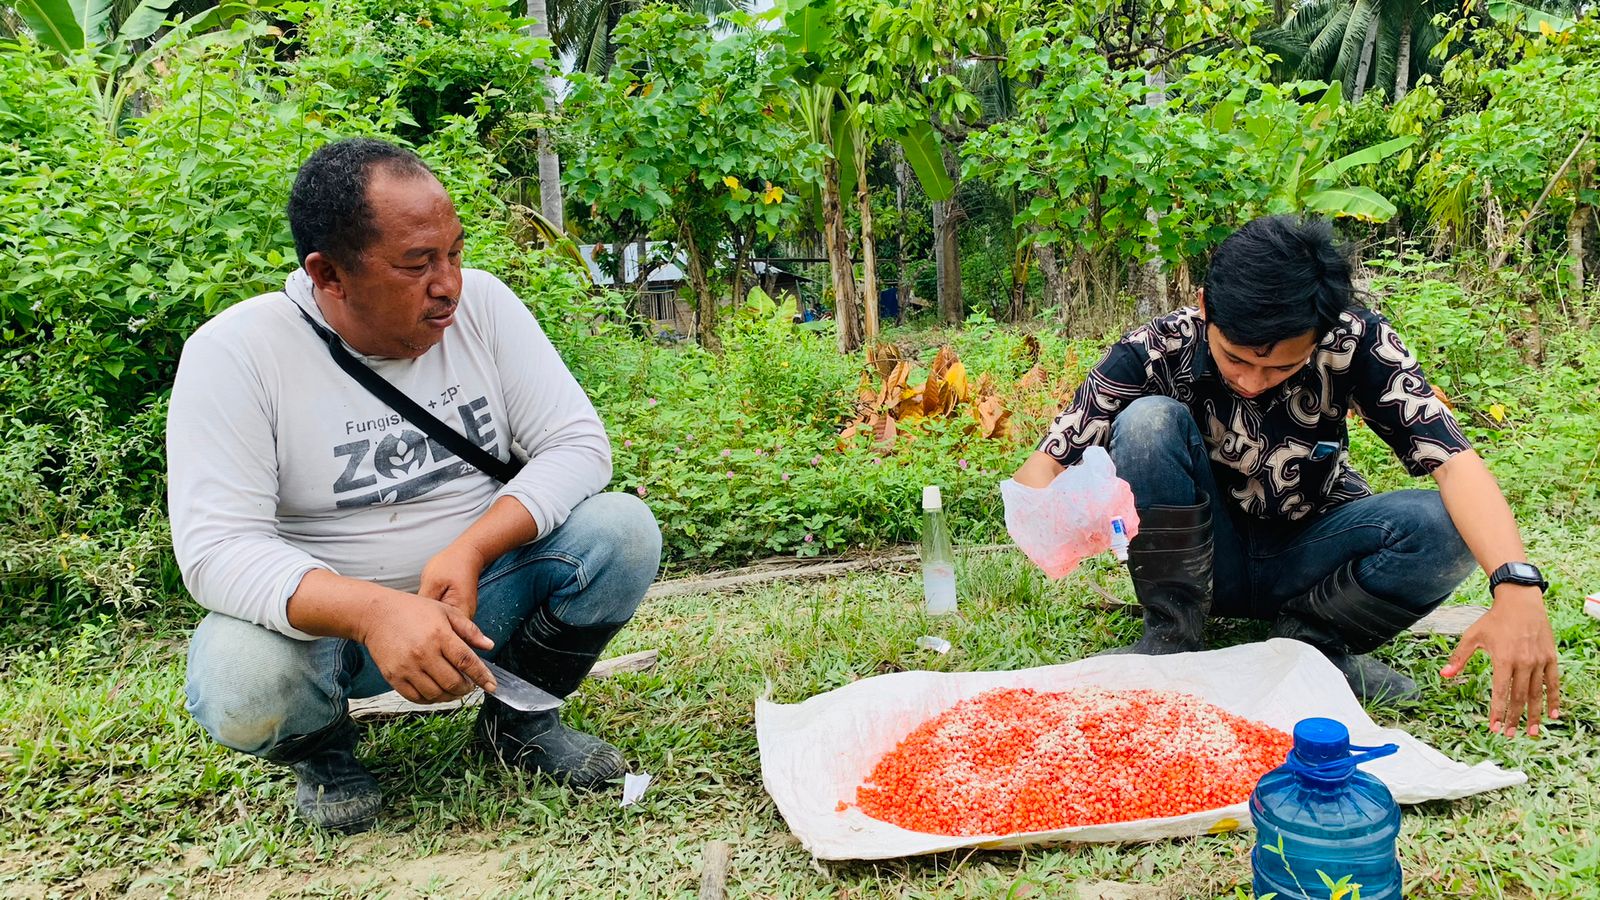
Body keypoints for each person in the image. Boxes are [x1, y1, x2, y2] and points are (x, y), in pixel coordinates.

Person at [168, 137, 661, 833]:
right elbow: (216, 549)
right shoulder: (236, 354)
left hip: (480, 602)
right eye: (417, 264)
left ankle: (520, 723)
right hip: (334, 641)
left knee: (622, 532)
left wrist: (471, 550)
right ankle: (326, 753)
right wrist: (374, 612)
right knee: (243, 680)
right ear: (329, 274)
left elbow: (578, 445)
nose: (449, 284)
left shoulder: (484, 308)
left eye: (455, 253)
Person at [1013, 216, 1560, 736]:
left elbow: (1454, 461)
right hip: (1205, 560)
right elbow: (1045, 463)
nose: (1253, 381)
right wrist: (1059, 520)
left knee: (1445, 524)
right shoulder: (1157, 348)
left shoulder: (1358, 341)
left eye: (1281, 367)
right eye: (1235, 359)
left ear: (1321, 333)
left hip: (1313, 555)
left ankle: (1315, 647)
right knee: (1148, 422)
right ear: (1205, 308)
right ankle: (1171, 638)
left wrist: (1517, 587)